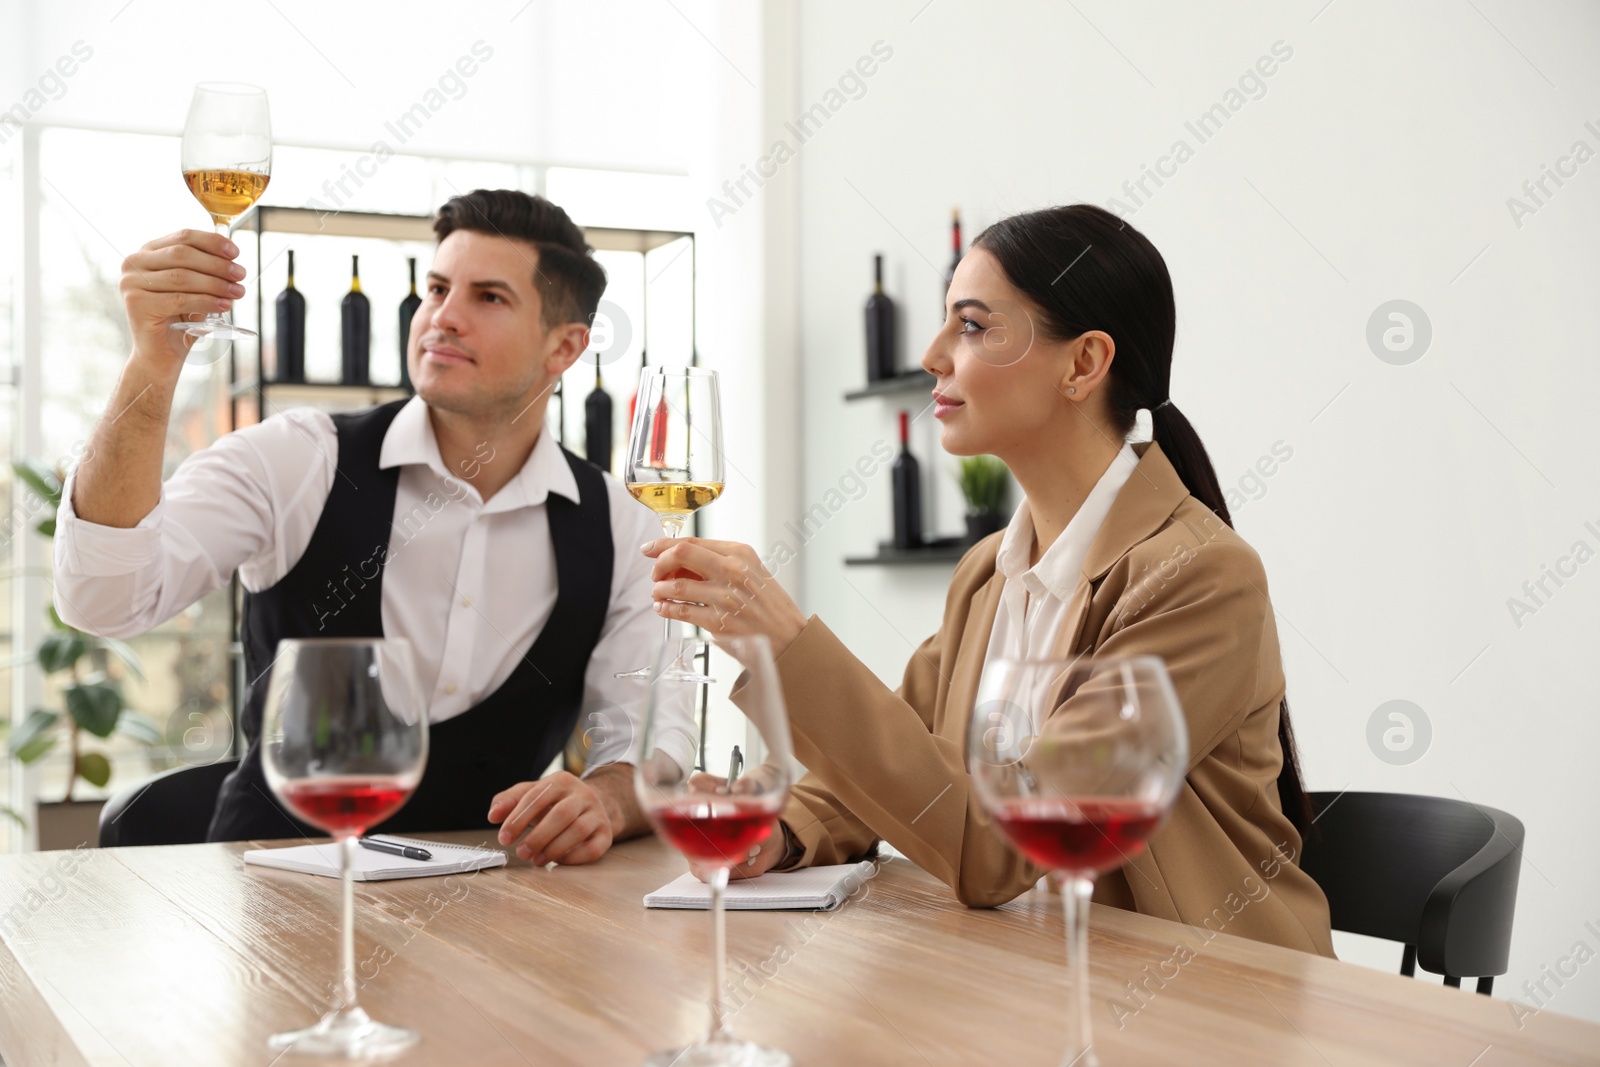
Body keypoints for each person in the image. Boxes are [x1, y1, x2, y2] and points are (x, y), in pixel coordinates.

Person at [643, 204, 1335, 956]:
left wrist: (786, 641)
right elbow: (903, 760)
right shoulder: (989, 572)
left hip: (1206, 997)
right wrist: (781, 830)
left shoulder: (1199, 578)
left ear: (1082, 364)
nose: (933, 354)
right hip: (1038, 972)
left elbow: (1002, 844)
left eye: (973, 326)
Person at [53, 188, 695, 864]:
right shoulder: (302, 457)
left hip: (495, 912)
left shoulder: (622, 528)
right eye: (438, 288)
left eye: (489, 298)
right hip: (274, 898)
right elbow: (103, 598)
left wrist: (609, 797)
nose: (444, 318)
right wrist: (152, 365)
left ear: (564, 347)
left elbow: (651, 740)